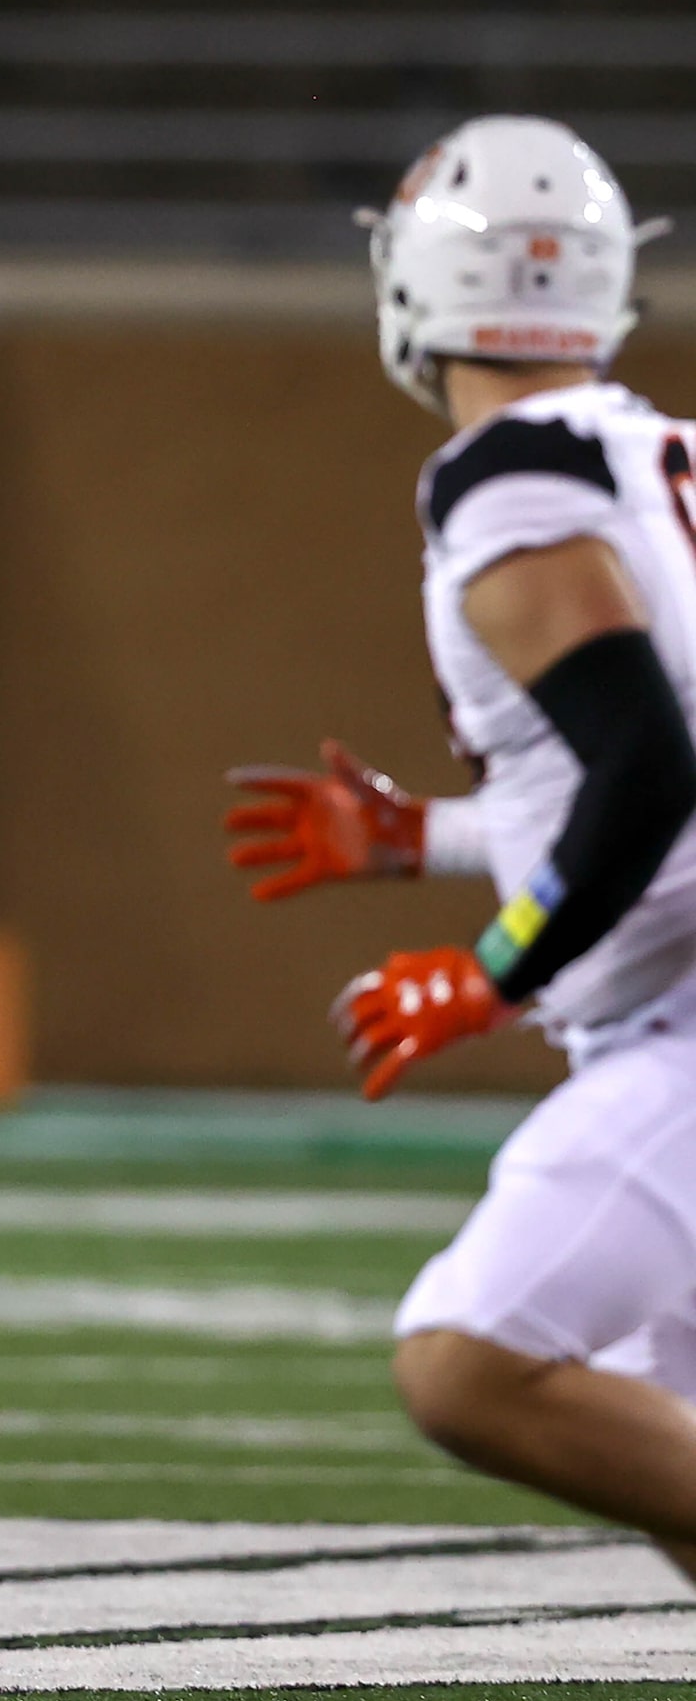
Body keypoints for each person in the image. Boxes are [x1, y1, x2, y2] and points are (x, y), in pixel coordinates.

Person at [224, 115, 696, 1571]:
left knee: (466, 1357)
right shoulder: (661, 452)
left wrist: (493, 967)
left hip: (677, 1026)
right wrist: (423, 837)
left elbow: (647, 766)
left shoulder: (504, 476)